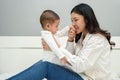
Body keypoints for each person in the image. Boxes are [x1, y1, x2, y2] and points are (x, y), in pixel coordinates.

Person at [7, 3, 114, 80]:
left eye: (76, 20)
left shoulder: (97, 40)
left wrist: (56, 49)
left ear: (86, 19)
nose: (73, 23)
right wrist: (70, 40)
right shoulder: (82, 38)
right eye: (72, 20)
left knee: (46, 66)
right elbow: (69, 62)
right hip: (81, 76)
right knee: (45, 62)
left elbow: (79, 66)